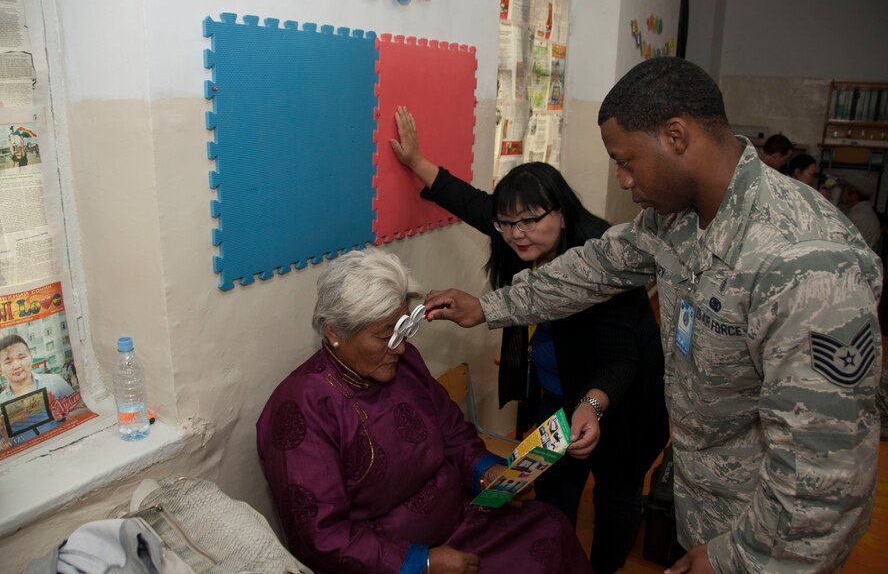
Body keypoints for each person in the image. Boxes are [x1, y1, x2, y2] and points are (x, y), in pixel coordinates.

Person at [422, 57, 882, 574]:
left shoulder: (805, 263)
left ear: (677, 136)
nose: (620, 179)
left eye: (626, 160)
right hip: (703, 503)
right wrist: (487, 307)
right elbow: (590, 268)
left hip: (770, 545)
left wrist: (738, 557)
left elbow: (824, 474)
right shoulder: (675, 219)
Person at [390, 107, 669, 574]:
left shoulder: (604, 257)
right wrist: (418, 163)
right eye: (506, 224)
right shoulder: (517, 236)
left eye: (529, 222)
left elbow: (621, 359)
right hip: (556, 397)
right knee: (552, 488)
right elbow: (476, 204)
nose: (516, 235)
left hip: (621, 404)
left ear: (561, 213)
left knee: (616, 497)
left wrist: (593, 406)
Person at [256, 249, 592, 574]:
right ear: (334, 333)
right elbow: (321, 537)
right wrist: (422, 563)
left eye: (402, 329)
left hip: (462, 518)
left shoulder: (403, 361)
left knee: (551, 527)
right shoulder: (301, 409)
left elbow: (453, 431)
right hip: (392, 558)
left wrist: (485, 472)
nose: (400, 346)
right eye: (386, 334)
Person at [0, 334, 74, 405]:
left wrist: (62, 414)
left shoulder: (55, 382)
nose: (17, 366)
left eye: (21, 357)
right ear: (1, 370)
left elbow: (80, 408)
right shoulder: (1, 401)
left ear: (31, 358)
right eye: (8, 362)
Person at [838, 171, 881, 252]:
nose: (841, 193)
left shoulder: (857, 216)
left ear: (854, 195)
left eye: (844, 189)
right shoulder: (862, 210)